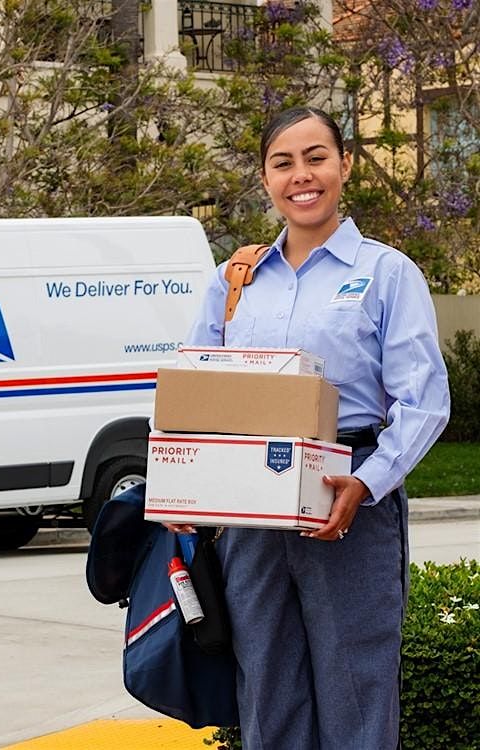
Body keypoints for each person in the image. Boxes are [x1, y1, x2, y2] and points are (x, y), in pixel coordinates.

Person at [168, 106, 450, 749]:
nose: (302, 176)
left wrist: (366, 482)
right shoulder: (233, 282)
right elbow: (197, 392)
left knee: (356, 685)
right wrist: (184, 486)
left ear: (344, 164)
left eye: (316, 157)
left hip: (347, 496)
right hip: (249, 514)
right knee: (266, 683)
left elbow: (426, 398)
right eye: (283, 162)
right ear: (266, 178)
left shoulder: (386, 273)